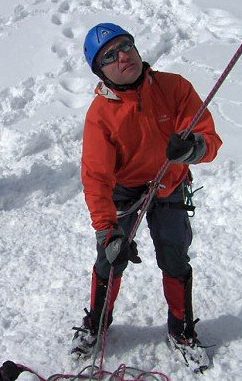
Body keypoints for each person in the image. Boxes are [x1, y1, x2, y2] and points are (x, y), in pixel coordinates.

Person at [70, 23, 222, 364]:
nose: (123, 55)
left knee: (174, 257)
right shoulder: (101, 116)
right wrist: (108, 230)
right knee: (110, 258)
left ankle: (181, 329)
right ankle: (97, 324)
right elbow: (96, 178)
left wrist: (193, 148)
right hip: (125, 193)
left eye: (126, 46)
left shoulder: (174, 87)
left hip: (169, 184)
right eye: (110, 55)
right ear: (100, 70)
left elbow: (209, 140)